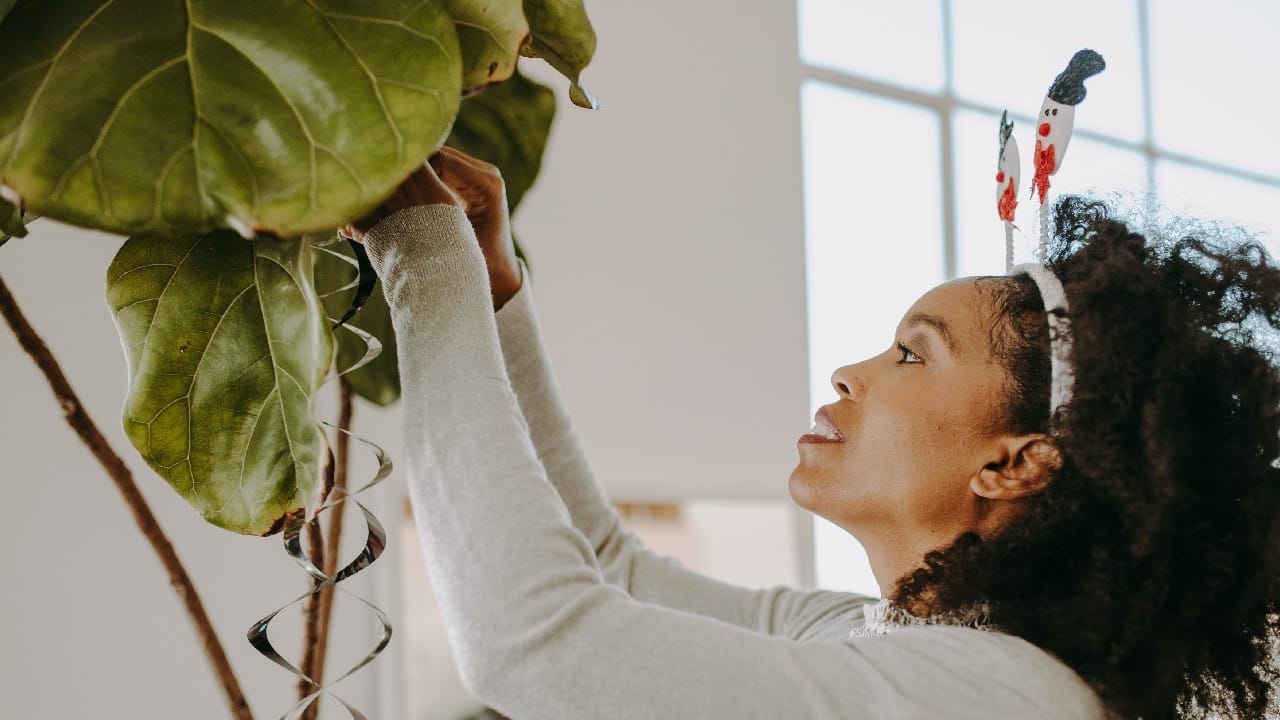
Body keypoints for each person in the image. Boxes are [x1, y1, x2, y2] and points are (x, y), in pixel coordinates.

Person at [340, 147, 1280, 719]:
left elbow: (533, 647)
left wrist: (422, 250)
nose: (849, 373)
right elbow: (609, 569)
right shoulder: (888, 637)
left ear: (1015, 462)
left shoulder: (1001, 698)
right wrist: (497, 289)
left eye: (913, 356)